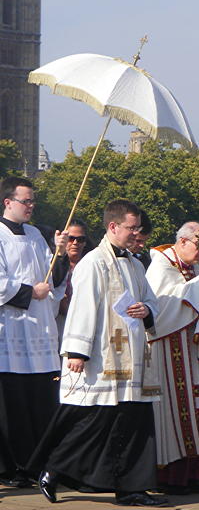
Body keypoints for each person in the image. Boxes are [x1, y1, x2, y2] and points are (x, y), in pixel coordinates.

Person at [28, 200, 167, 507]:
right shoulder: (94, 263)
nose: (136, 234)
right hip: (103, 357)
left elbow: (152, 301)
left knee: (135, 422)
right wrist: (77, 351)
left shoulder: (133, 262)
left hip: (134, 360)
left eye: (138, 229)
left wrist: (147, 310)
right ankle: (53, 469)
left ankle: (132, 487)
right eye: (132, 228)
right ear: (113, 226)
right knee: (95, 421)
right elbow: (82, 308)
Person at [147, 221, 199, 494]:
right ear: (182, 242)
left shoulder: (194, 268)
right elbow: (160, 309)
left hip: (194, 353)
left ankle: (194, 472)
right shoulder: (161, 267)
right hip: (168, 352)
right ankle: (172, 477)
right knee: (178, 417)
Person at [0, 176, 69, 487]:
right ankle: (12, 467)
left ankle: (37, 464)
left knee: (39, 402)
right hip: (10, 332)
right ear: (8, 202)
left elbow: (53, 279)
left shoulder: (37, 235)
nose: (31, 206)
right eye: (26, 201)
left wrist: (61, 253)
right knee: (11, 404)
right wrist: (29, 292)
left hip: (38, 335)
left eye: (32, 201)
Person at [56, 218, 91, 344]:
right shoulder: (51, 264)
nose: (75, 243)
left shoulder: (91, 265)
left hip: (84, 325)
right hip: (57, 325)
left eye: (80, 239)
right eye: (71, 238)